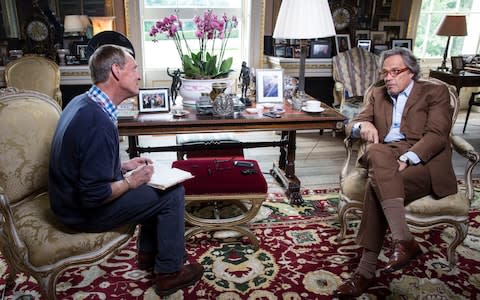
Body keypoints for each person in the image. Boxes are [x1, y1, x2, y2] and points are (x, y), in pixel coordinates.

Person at [48, 44, 204, 297]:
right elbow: (93, 195)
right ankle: (169, 273)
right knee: (172, 194)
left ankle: (148, 254)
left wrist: (123, 167)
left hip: (66, 199)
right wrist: (131, 182)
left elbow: (82, 162)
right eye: (134, 69)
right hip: (79, 212)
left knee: (153, 183)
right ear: (116, 71)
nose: (139, 75)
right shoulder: (97, 122)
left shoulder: (83, 102)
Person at [335, 47, 457, 297]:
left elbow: (437, 135)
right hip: (386, 155)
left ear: (410, 72)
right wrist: (363, 125)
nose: (388, 77)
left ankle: (365, 272)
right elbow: (351, 125)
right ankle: (404, 240)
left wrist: (408, 158)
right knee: (378, 153)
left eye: (395, 72)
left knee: (375, 182)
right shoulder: (378, 94)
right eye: (385, 72)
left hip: (423, 161)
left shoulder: (435, 92)